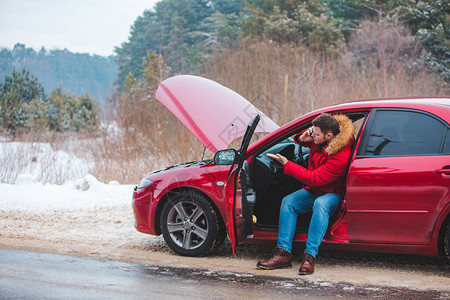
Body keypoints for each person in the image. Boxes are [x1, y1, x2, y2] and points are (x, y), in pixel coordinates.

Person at [256, 113, 355, 275]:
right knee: (289, 202)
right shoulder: (322, 141)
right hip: (315, 190)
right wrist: (302, 139)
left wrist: (287, 165)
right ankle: (283, 254)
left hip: (332, 194)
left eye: (315, 133)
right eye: (312, 132)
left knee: (320, 205)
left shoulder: (341, 155)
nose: (312, 135)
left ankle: (309, 257)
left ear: (329, 136)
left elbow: (315, 179)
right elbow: (309, 143)